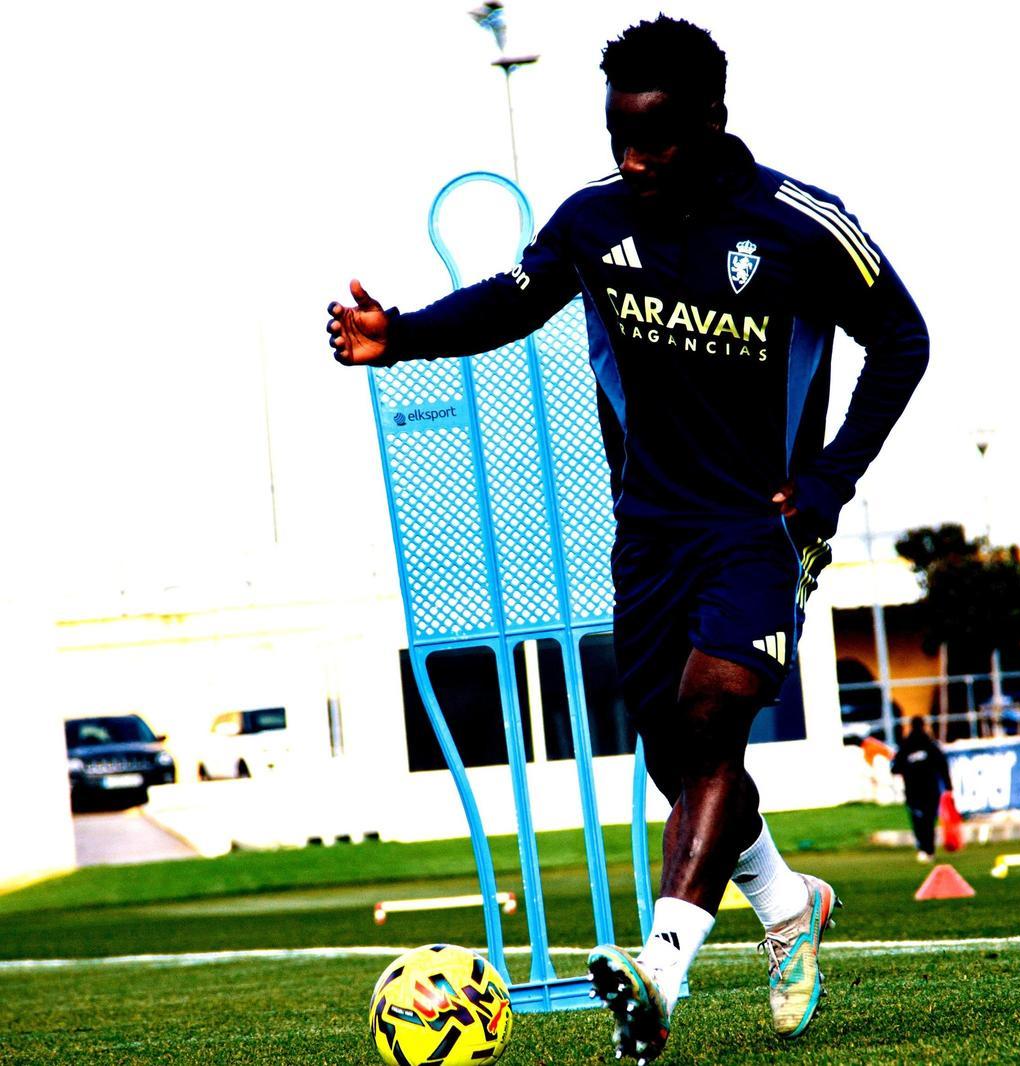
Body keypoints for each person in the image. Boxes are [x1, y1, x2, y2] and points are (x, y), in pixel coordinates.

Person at [327, 16, 928, 1063]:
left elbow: (903, 340)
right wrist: (404, 337)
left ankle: (658, 974)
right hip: (648, 534)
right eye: (619, 140)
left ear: (710, 121)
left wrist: (829, 479)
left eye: (654, 141)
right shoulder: (595, 221)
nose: (633, 161)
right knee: (673, 755)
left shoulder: (800, 225)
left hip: (759, 526)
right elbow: (515, 302)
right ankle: (788, 904)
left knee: (712, 719)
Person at [890, 716, 952, 862]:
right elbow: (943, 766)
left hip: (913, 791)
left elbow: (895, 768)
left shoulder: (905, 746)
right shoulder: (931, 744)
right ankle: (929, 849)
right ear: (924, 726)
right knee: (929, 820)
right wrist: (948, 786)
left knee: (918, 821)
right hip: (931, 789)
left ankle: (923, 848)